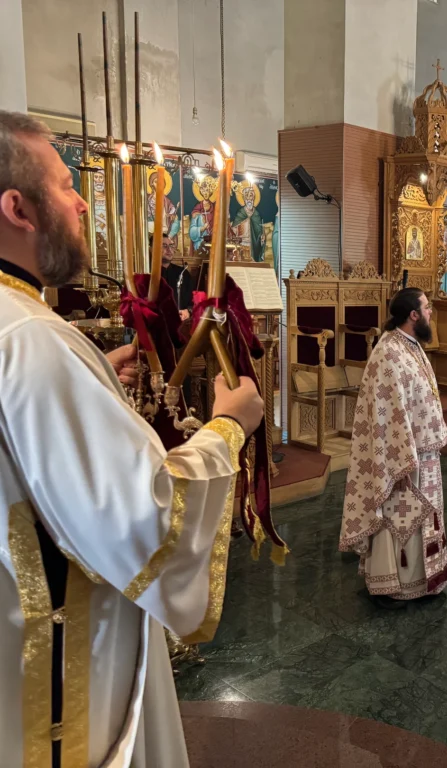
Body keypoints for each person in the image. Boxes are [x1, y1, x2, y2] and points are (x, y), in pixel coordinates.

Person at [0, 110, 266, 765]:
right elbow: (147, 521)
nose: (80, 204)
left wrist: (92, 380)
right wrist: (229, 426)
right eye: (67, 186)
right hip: (64, 689)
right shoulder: (32, 340)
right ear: (18, 209)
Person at [339, 288, 447, 604]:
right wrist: (404, 458)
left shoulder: (411, 346)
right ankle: (396, 583)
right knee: (403, 519)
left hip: (424, 453)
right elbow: (387, 413)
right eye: (427, 307)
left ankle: (424, 579)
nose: (431, 312)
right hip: (401, 458)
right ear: (413, 314)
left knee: (423, 518)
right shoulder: (388, 352)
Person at [159, 234, 193, 324]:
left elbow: (192, 302)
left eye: (171, 246)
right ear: (152, 249)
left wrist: (188, 311)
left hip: (181, 324)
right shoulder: (148, 274)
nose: (169, 249)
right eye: (164, 245)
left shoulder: (183, 273)